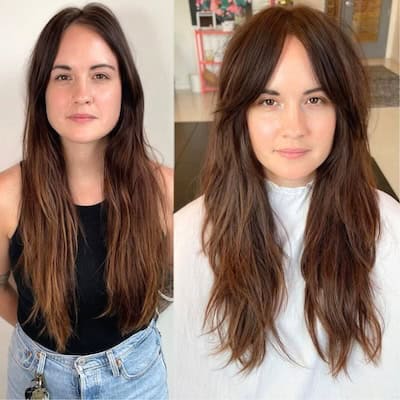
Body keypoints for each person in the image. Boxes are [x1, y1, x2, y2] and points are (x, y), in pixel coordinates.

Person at [174, 5, 400, 399]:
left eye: (315, 100)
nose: (294, 127)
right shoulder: (188, 233)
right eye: (268, 101)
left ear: (341, 110)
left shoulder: (388, 225)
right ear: (240, 112)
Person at [0, 3, 172, 399]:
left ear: (124, 88)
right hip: (36, 382)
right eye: (63, 76)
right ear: (41, 89)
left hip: (138, 379)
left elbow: (175, 288)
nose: (82, 95)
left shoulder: (163, 190)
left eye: (100, 75)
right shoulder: (9, 194)